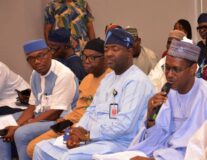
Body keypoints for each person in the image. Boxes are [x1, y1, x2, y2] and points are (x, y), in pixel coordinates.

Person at [33, 28, 155, 160]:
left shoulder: (137, 81)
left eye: (115, 49)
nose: (108, 53)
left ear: (129, 51)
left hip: (119, 142)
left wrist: (87, 134)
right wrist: (75, 133)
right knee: (41, 148)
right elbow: (91, 111)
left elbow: (123, 126)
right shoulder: (108, 78)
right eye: (107, 49)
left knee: (70, 157)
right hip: (92, 137)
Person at [92, 40, 207, 160]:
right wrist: (151, 118)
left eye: (176, 69)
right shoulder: (169, 92)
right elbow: (158, 137)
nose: (169, 75)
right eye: (167, 68)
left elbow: (205, 149)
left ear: (193, 69)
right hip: (162, 153)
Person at [26, 38, 111, 158]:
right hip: (71, 125)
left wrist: (80, 129)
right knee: (33, 148)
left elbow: (103, 116)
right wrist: (66, 120)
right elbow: (79, 110)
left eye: (92, 58)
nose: (86, 61)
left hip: (88, 130)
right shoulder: (87, 80)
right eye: (84, 56)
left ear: (106, 58)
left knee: (66, 153)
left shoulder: (111, 80)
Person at [0, 39, 78, 160]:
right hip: (41, 115)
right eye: (31, 59)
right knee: (1, 125)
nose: (37, 62)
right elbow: (32, 106)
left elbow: (55, 113)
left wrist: (19, 127)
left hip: (63, 121)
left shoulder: (63, 74)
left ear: (50, 53)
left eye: (41, 56)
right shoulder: (35, 74)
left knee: (21, 133)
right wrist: (17, 124)